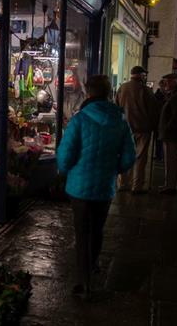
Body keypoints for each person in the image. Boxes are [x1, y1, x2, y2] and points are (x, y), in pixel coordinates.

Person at [57, 75, 136, 299]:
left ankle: (83, 281)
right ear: (108, 93)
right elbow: (130, 157)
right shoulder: (120, 121)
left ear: (88, 93)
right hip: (104, 187)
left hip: (79, 188)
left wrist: (65, 170)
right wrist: (113, 170)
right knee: (97, 229)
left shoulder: (80, 120)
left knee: (81, 232)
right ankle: (93, 265)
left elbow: (65, 155)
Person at [115, 66, 159, 194]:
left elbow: (117, 106)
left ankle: (123, 183)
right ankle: (136, 186)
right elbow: (153, 111)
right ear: (141, 76)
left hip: (125, 128)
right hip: (143, 129)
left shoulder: (122, 88)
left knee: (124, 155)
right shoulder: (145, 90)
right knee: (140, 158)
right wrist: (154, 126)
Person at [158, 73, 177, 195]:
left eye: (168, 81)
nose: (166, 84)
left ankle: (171, 186)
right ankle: (169, 184)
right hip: (169, 134)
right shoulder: (174, 95)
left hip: (171, 135)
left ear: (175, 81)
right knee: (169, 160)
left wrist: (167, 129)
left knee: (172, 160)